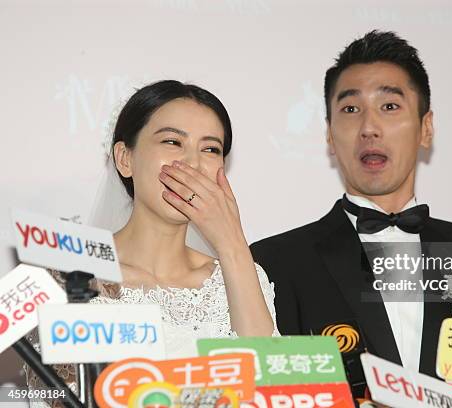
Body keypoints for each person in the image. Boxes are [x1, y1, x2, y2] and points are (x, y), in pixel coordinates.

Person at [250, 31, 452, 389]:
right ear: (330, 136)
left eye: (389, 106)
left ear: (426, 129)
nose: (369, 128)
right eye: (350, 109)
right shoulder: (275, 262)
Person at [26, 80, 278, 407]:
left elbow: (271, 385)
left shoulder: (244, 275)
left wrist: (232, 245)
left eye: (211, 149)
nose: (193, 164)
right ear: (124, 158)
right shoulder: (69, 278)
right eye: (173, 142)